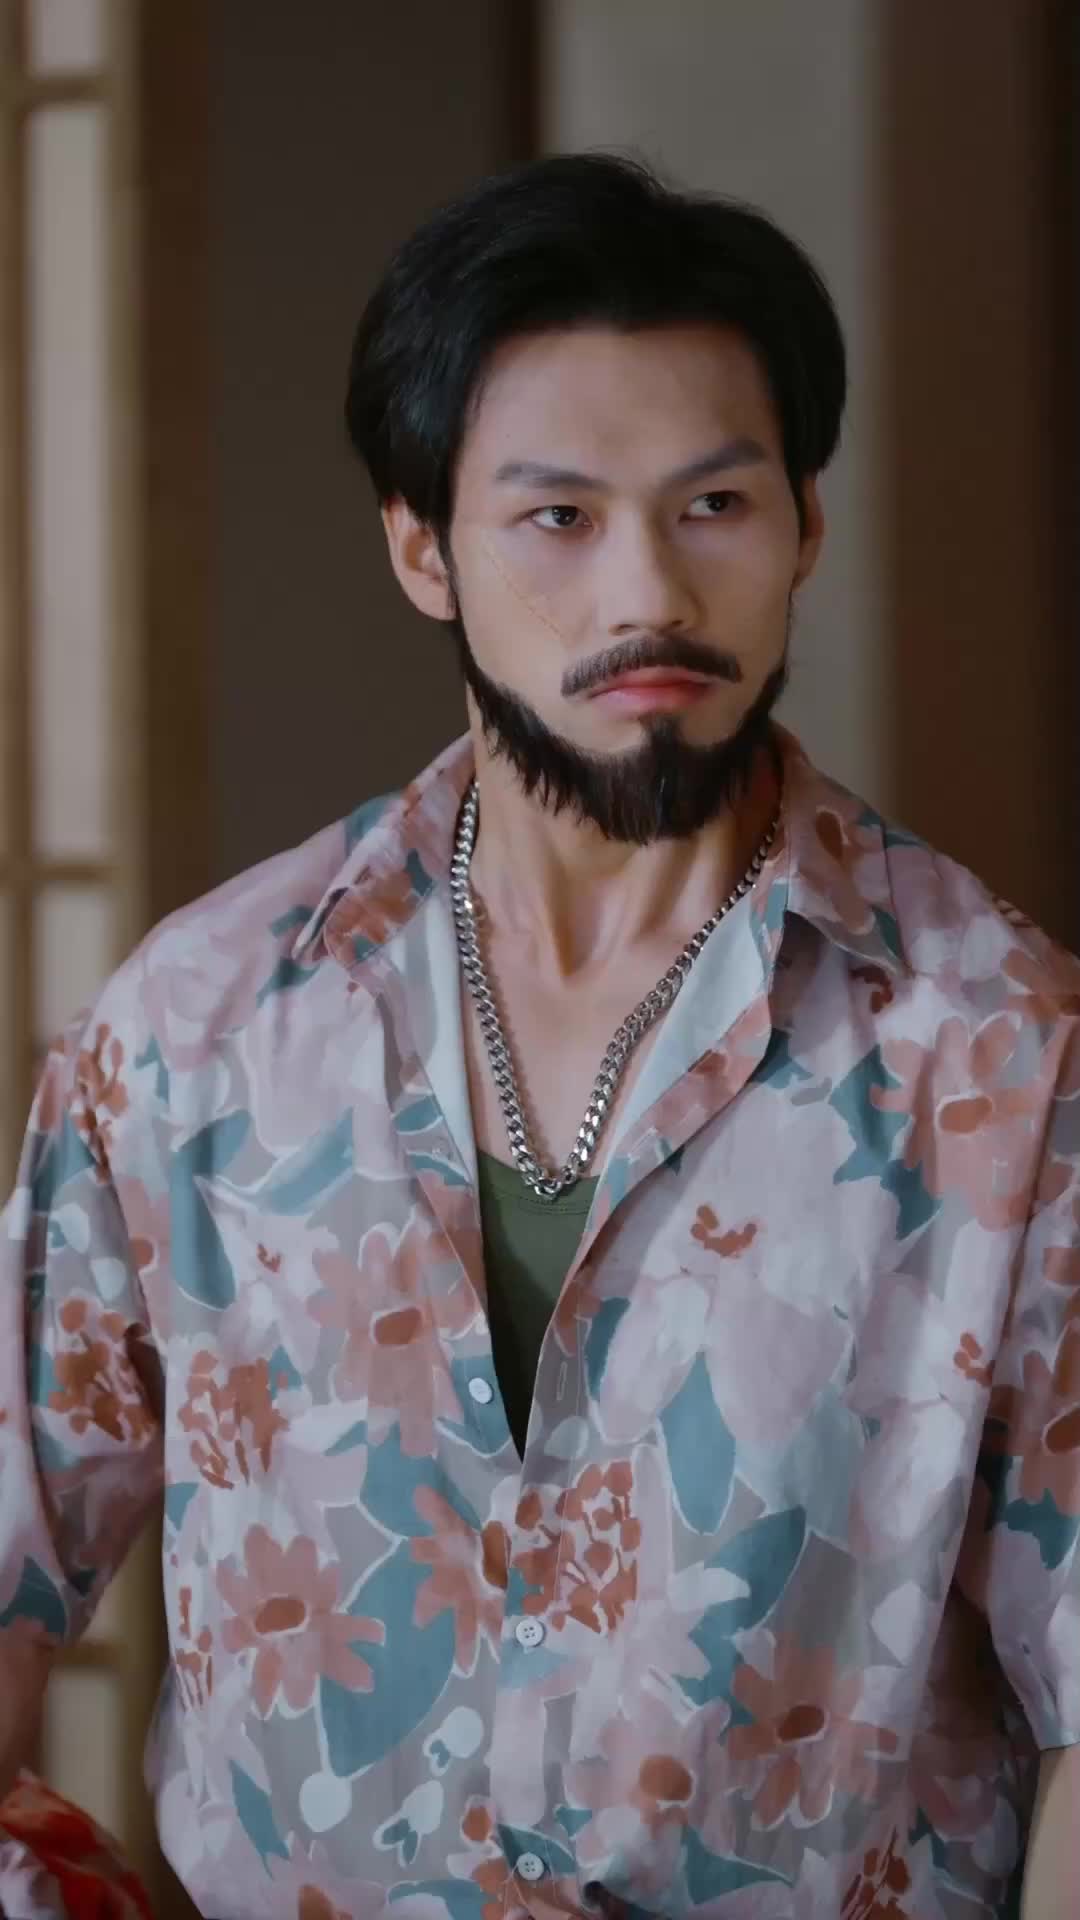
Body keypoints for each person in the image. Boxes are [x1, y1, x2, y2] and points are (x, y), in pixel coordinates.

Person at [1, 151, 1077, 1920]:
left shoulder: (1002, 1056)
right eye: (558, 518)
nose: (646, 592)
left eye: (713, 504)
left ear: (806, 526)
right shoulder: (199, 1028)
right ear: (423, 549)